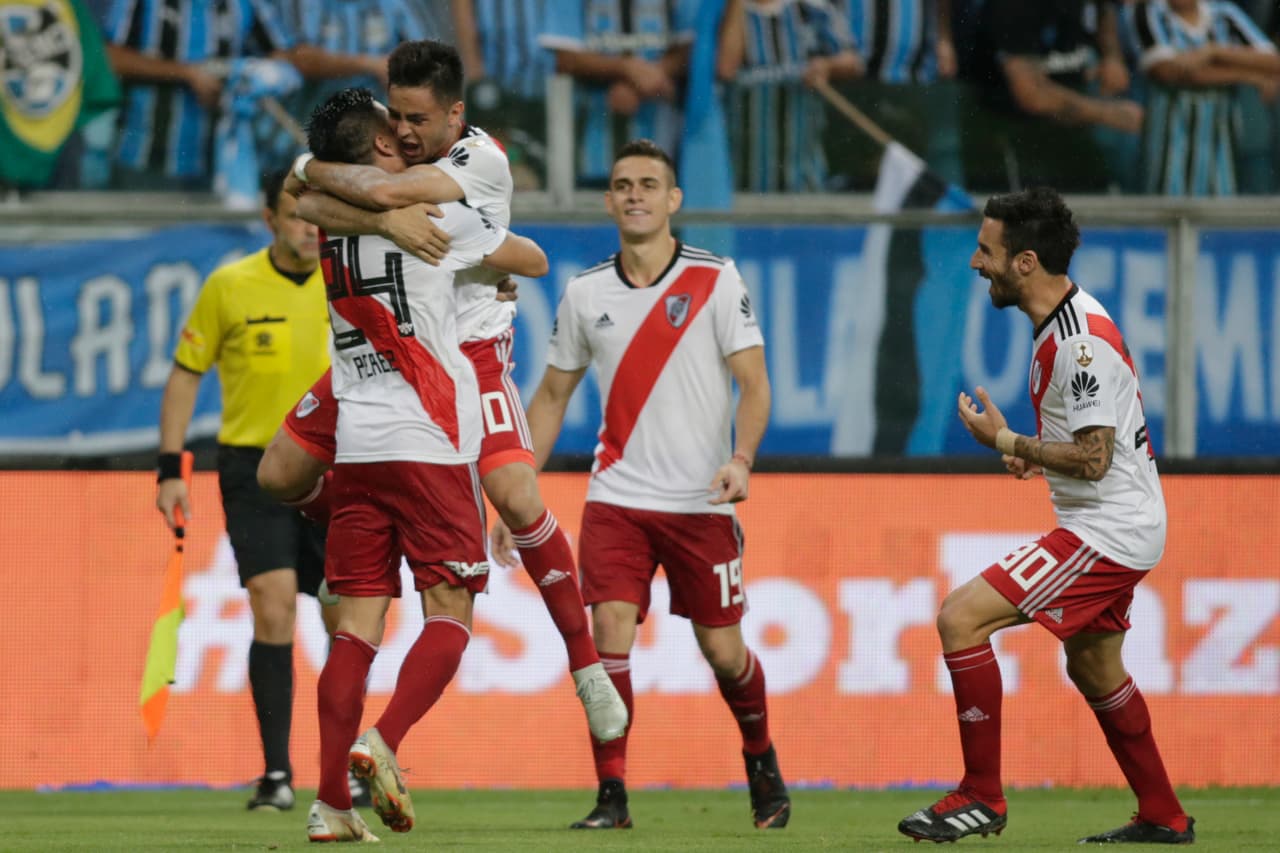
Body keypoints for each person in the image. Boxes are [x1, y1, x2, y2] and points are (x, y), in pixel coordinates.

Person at [259, 40, 629, 745]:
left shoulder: (476, 161)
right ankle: (358, 542)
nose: (403, 131)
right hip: (384, 354)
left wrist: (347, 192)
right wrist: (370, 213)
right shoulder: (387, 159)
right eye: (394, 115)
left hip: (467, 352)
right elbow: (315, 204)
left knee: (515, 493)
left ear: (455, 114)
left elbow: (529, 256)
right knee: (279, 470)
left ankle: (587, 668)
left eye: (418, 119)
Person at [897, 187, 1195, 845]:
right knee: (1094, 668)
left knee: (959, 615)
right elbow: (1090, 450)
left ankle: (981, 795)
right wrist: (1037, 458)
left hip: (1108, 530)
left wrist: (1009, 444)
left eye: (986, 250)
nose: (977, 263)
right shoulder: (1062, 324)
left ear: (1025, 261)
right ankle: (1164, 815)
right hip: (1121, 520)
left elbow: (1093, 456)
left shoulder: (1078, 342)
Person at [505, 139, 787, 830]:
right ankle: (613, 793)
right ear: (610, 199)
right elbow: (549, 398)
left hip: (701, 501)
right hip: (617, 498)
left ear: (672, 200)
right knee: (609, 633)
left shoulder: (716, 279)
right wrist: (515, 489)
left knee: (724, 651)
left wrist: (742, 459)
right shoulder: (585, 292)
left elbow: (754, 383)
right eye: (623, 184)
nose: (635, 194)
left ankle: (761, 756)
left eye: (649, 184)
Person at [298, 87, 550, 842]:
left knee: (355, 629)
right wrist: (483, 261)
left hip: (358, 445)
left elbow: (309, 194)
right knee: (452, 613)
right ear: (376, 148)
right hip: (430, 437)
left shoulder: (325, 224)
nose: (405, 136)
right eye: (391, 129)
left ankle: (329, 806)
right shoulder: (437, 216)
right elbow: (530, 259)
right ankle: (383, 741)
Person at [155, 167, 332, 811]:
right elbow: (184, 375)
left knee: (346, 612)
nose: (309, 225)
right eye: (295, 212)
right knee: (274, 600)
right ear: (268, 219)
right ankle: (278, 773)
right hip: (253, 467)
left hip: (335, 469)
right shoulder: (229, 286)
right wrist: (171, 467)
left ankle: (348, 767)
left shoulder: (351, 284)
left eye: (317, 211)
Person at [965, 0, 1143, 192]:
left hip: (1072, 133)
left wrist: (1112, 56)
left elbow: (1105, 9)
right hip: (1011, 137)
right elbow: (1031, 95)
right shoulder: (1012, 7)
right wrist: (1108, 114)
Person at [1122, 0, 1280, 195]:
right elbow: (1170, 71)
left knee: (1221, 210)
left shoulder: (1224, 13)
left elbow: (1273, 62)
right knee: (1168, 206)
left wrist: (1214, 52)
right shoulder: (1147, 11)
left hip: (1220, 136)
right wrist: (1248, 75)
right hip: (1170, 135)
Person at [537, 1, 694, 186]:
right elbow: (565, 57)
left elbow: (693, 47)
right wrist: (627, 69)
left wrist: (643, 79)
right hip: (592, 151)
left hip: (667, 147)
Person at [718, 0, 864, 192]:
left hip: (802, 173)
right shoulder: (725, 12)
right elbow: (725, 68)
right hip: (740, 175)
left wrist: (828, 66)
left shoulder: (813, 9)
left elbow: (854, 62)